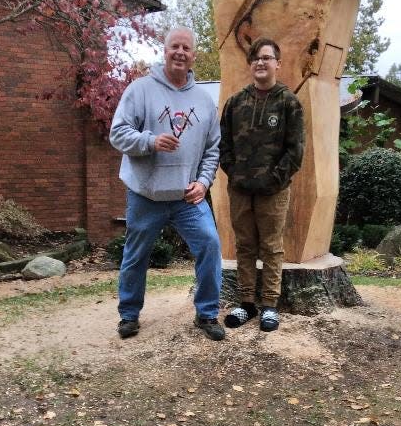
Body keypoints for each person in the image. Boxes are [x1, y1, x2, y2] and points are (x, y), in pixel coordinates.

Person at [109, 27, 225, 341]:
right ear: (165, 51)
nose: (180, 53)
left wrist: (204, 182)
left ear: (193, 55)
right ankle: (129, 315)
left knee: (211, 245)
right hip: (146, 193)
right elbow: (117, 134)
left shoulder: (203, 100)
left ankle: (207, 313)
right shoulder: (140, 89)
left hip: (188, 196)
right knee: (136, 254)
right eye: (175, 46)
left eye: (186, 48)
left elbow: (213, 149)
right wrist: (149, 141)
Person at [219, 36, 304, 332]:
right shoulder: (235, 103)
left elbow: (295, 152)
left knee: (271, 247)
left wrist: (273, 180)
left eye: (267, 58)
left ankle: (269, 306)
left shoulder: (289, 103)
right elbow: (223, 146)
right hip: (240, 190)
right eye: (256, 57)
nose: (260, 62)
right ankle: (246, 304)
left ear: (277, 64)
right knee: (244, 246)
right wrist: (235, 173)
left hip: (274, 192)